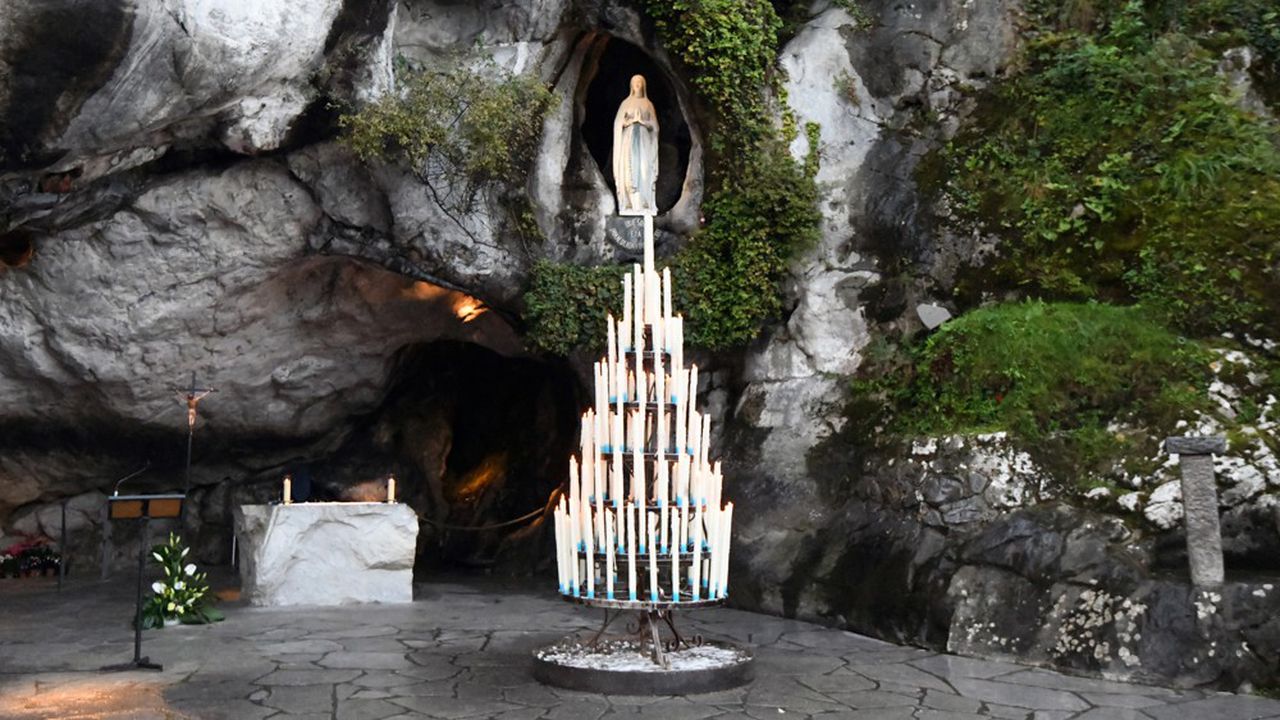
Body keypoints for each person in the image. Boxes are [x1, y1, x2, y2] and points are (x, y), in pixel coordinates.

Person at [612, 74, 660, 215]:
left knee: (644, 169)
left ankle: (644, 203)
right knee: (629, 170)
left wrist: (643, 122)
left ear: (644, 85)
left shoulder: (648, 104)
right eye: (635, 82)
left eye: (640, 82)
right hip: (628, 140)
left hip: (644, 142)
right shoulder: (626, 103)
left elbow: (655, 126)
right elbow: (618, 123)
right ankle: (630, 203)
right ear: (631, 86)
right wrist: (629, 122)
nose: (637, 84)